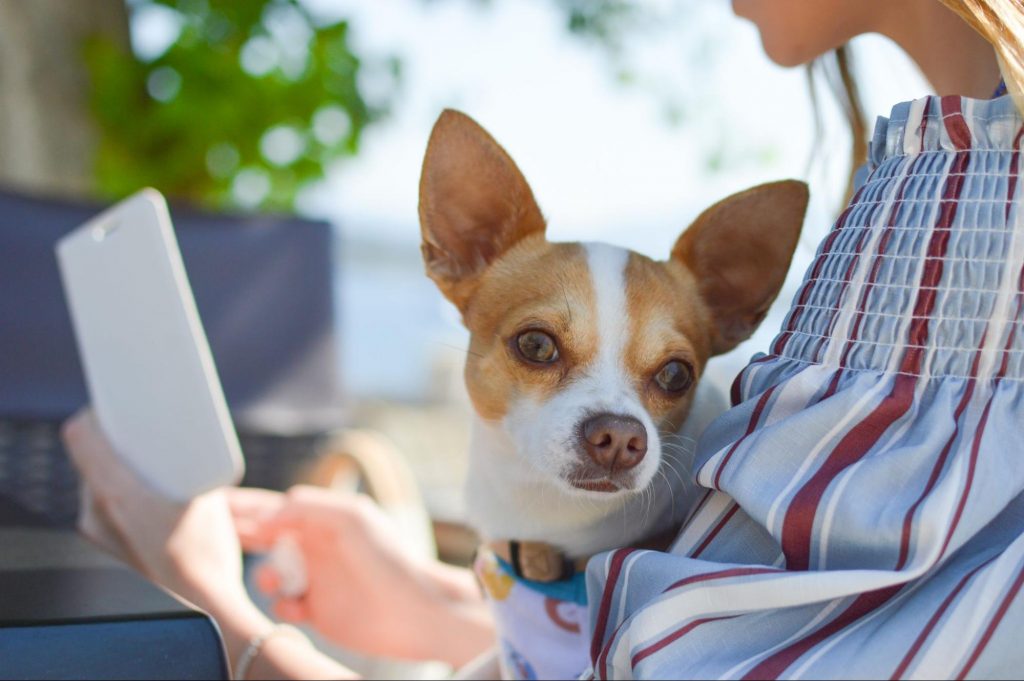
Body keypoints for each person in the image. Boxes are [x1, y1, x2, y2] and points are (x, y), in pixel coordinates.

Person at [62, 0, 1024, 678]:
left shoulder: (987, 226)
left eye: (669, 377)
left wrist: (212, 617)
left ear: (727, 322)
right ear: (458, 258)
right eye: (539, 347)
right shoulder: (921, 187)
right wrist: (456, 603)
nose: (619, 426)